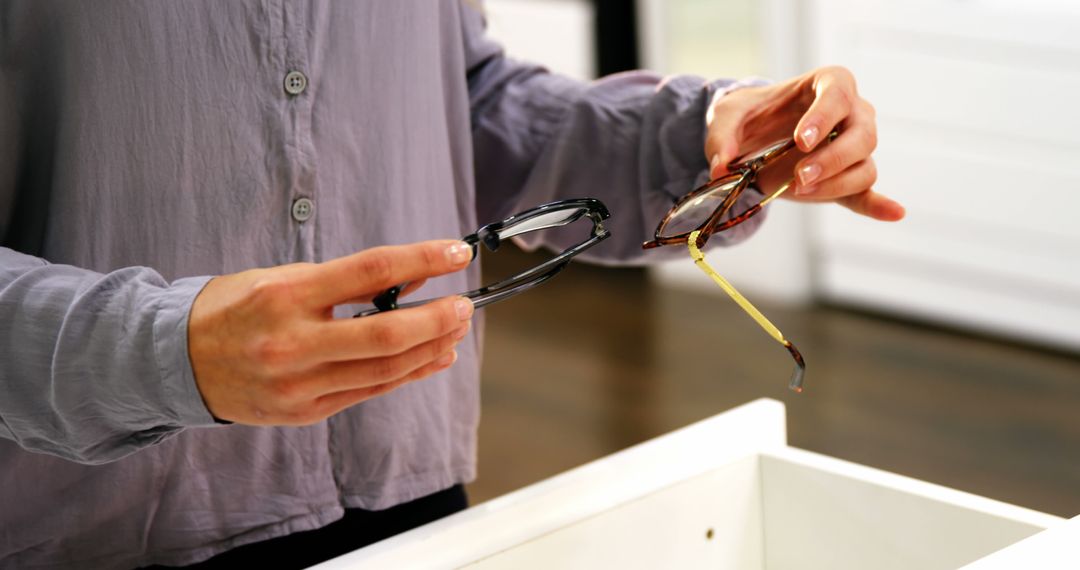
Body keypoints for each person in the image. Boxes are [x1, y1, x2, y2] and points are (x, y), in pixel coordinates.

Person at [0, 2, 904, 568]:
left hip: (409, 500)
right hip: (93, 529)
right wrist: (165, 351)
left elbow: (459, 99)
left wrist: (697, 138)